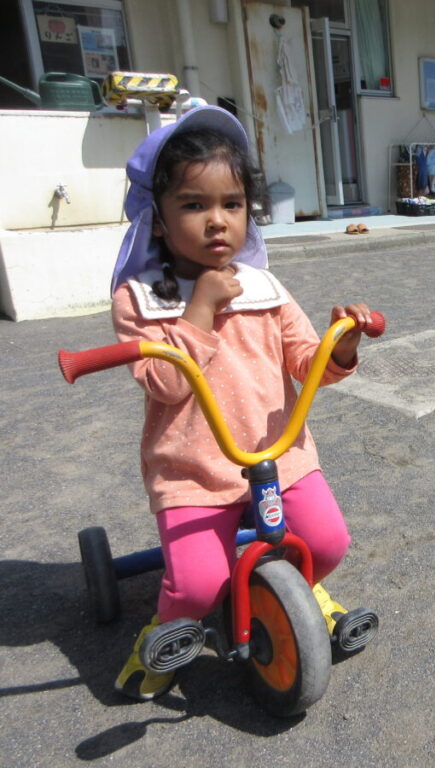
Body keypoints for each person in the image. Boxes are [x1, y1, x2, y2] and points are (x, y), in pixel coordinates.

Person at [109, 106, 371, 699]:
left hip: (277, 456)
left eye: (232, 204)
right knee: (199, 586)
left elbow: (305, 363)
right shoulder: (141, 299)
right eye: (193, 205)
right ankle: (163, 635)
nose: (217, 221)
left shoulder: (264, 287)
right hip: (194, 471)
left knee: (327, 543)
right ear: (157, 220)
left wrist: (341, 347)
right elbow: (164, 382)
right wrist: (200, 307)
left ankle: (299, 588)